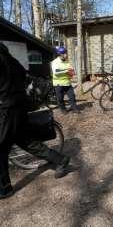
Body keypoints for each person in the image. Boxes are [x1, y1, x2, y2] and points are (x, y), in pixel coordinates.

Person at [0, 42, 70, 199]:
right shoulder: (11, 59)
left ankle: (4, 188)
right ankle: (61, 160)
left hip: (8, 109)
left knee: (1, 147)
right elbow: (23, 76)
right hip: (18, 106)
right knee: (27, 142)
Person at [51, 47, 79, 114]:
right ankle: (63, 109)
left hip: (67, 82)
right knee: (60, 98)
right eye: (64, 53)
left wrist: (72, 71)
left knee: (72, 96)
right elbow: (56, 72)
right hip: (58, 83)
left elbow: (70, 69)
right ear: (60, 54)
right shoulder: (55, 62)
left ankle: (74, 108)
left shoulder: (67, 62)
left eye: (66, 53)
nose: (66, 55)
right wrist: (66, 70)